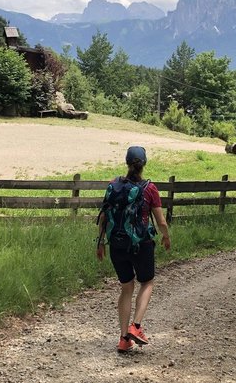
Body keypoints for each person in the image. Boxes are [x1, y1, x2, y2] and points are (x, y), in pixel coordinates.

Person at [97, 146, 171, 353]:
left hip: (117, 245)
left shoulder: (113, 185)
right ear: (144, 163)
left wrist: (100, 242)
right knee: (147, 282)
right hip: (141, 245)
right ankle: (136, 327)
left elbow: (104, 216)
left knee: (126, 288)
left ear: (127, 162)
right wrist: (166, 237)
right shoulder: (150, 188)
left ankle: (123, 339)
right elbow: (161, 221)